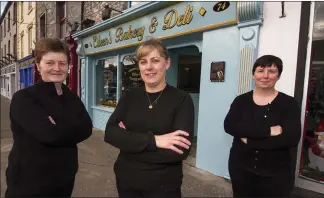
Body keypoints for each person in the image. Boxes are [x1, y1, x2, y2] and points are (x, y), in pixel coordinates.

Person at [104, 39, 194, 198]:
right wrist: (155, 141)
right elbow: (110, 133)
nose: (149, 67)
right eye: (143, 62)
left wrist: (128, 143)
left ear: (167, 63)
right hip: (127, 181)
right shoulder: (129, 97)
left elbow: (180, 151)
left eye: (155, 61)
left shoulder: (182, 99)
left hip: (163, 185)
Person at [5, 38, 93, 197]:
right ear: (38, 66)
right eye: (50, 63)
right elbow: (50, 135)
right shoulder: (24, 99)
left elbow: (86, 128)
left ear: (68, 66)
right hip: (29, 184)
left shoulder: (71, 97)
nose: (57, 68)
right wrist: (69, 128)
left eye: (62, 63)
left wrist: (57, 125)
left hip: (64, 181)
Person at [224, 55, 302, 197]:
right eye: (260, 71)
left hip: (276, 174)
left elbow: (291, 138)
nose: (265, 76)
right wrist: (268, 131)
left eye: (271, 71)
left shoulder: (289, 104)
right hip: (241, 169)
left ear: (278, 76)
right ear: (253, 75)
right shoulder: (241, 101)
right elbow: (230, 126)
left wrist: (249, 140)